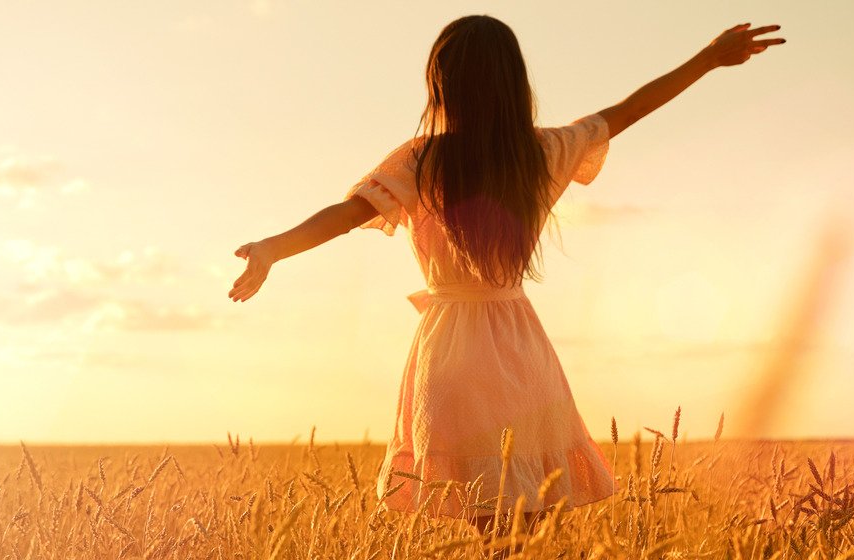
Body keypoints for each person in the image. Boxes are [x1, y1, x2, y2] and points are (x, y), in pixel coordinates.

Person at [228, 14, 784, 551]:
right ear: (515, 84)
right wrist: (709, 60)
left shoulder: (423, 159)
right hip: (521, 346)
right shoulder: (540, 153)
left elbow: (347, 214)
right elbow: (630, 109)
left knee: (495, 523)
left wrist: (274, 248)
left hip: (450, 352)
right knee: (529, 525)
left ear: (441, 84)